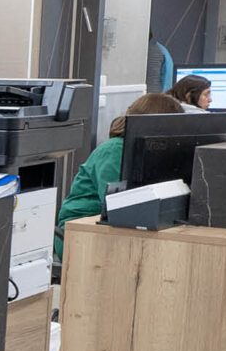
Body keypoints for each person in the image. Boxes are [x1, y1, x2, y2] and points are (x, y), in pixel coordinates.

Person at [56, 92, 187, 256]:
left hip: (116, 228)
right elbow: (117, 204)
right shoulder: (115, 150)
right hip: (80, 230)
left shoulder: (148, 150)